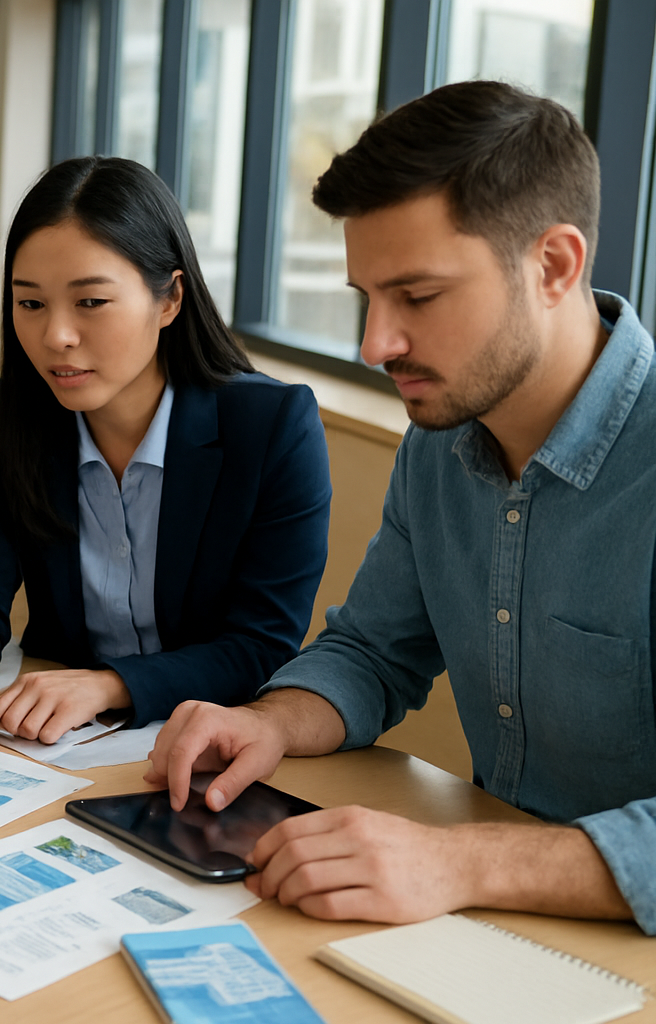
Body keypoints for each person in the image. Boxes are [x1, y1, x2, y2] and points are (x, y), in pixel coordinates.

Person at [146, 81, 656, 935]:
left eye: (417, 298)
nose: (376, 344)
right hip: (500, 923)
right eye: (366, 298)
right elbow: (374, 652)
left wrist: (459, 859)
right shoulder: (440, 441)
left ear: (555, 266)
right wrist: (267, 721)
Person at [0, 156, 332, 789]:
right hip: (54, 753)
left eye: (91, 301)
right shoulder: (9, 414)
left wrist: (110, 686)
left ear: (170, 297)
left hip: (199, 753)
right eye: (29, 303)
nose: (56, 335)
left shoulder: (273, 427)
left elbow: (263, 644)